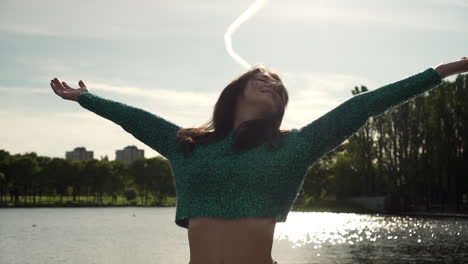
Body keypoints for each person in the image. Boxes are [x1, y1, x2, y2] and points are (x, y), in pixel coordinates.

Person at [50, 57, 468, 264]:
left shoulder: (293, 147)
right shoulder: (188, 145)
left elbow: (365, 105)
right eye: (263, 79)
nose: (272, 86)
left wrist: (450, 68)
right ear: (238, 90)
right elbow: (135, 119)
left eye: (279, 87)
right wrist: (86, 98)